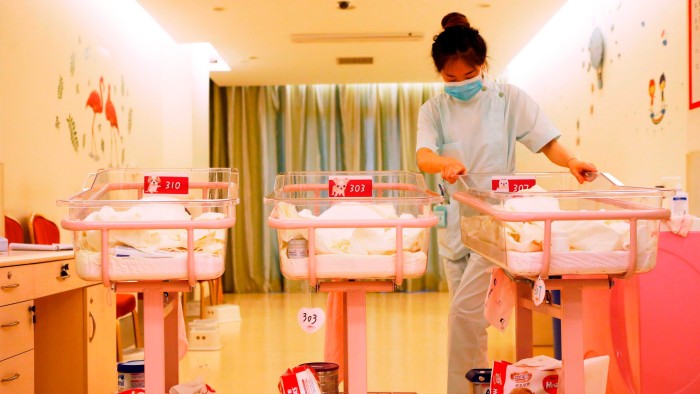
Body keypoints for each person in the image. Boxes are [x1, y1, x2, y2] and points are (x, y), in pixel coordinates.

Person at [415, 12, 597, 394]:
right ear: (440, 75)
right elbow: (424, 156)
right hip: (454, 229)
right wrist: (444, 162)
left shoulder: (507, 99)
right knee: (471, 321)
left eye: (469, 76)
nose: (461, 84)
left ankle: (461, 391)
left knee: (464, 316)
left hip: (495, 223)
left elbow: (546, 140)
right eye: (452, 79)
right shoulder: (434, 110)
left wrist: (571, 161)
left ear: (483, 66)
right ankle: (478, 387)